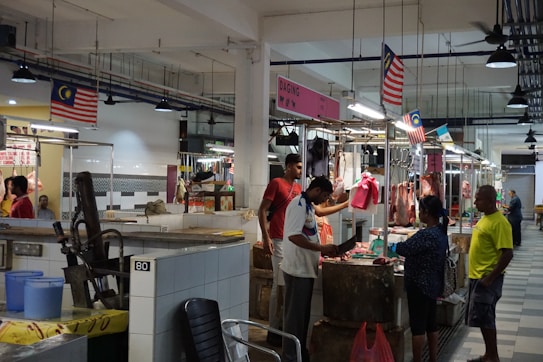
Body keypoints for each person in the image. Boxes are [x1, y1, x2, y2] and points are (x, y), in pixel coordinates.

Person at [280, 176, 339, 362]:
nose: (325, 200)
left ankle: (299, 353)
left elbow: (309, 235)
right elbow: (293, 236)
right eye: (325, 195)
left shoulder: (308, 206)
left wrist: (323, 251)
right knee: (294, 319)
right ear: (317, 190)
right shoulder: (298, 205)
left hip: (305, 270)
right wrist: (321, 249)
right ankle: (290, 357)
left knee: (301, 318)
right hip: (296, 270)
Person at [393, 195, 448, 362]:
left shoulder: (426, 235)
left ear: (426, 213)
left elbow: (404, 248)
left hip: (419, 285)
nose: (418, 214)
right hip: (433, 284)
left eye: (420, 210)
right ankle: (433, 359)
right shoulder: (440, 232)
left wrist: (391, 245)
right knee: (431, 324)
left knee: (418, 327)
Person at [258, 153, 303, 346]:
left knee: (287, 285)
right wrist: (266, 237)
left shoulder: (299, 188)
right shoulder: (276, 183)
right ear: (289, 166)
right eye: (299, 167)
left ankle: (283, 328)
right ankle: (274, 330)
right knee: (279, 284)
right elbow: (262, 210)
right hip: (278, 239)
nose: (301, 171)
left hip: (293, 241)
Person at [466, 185, 513, 362]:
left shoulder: (500, 223)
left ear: (491, 201)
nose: (475, 202)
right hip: (479, 277)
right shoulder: (485, 219)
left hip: (486, 278)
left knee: (486, 318)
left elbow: (508, 253)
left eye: (479, 199)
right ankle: (489, 354)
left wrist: (490, 278)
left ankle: (492, 356)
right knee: (483, 318)